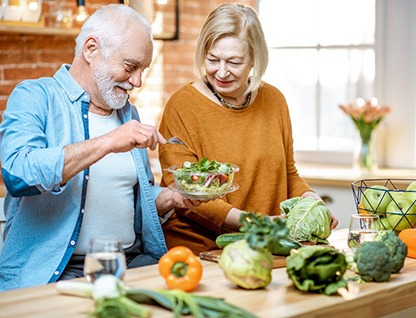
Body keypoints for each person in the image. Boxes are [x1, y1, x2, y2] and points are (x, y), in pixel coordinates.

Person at [0, 4, 199, 291]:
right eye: (130, 67)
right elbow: (19, 175)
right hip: (60, 269)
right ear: (91, 49)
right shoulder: (35, 96)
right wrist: (107, 143)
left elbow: (126, 199)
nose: (138, 81)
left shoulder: (127, 114)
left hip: (130, 261)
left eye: (143, 70)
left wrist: (170, 198)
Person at [158, 3, 339, 255]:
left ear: (254, 58)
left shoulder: (274, 100)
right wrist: (252, 222)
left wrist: (312, 202)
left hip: (265, 245)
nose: (221, 72)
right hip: (200, 250)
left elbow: (288, 173)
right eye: (212, 59)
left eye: (234, 61)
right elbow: (184, 191)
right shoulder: (182, 105)